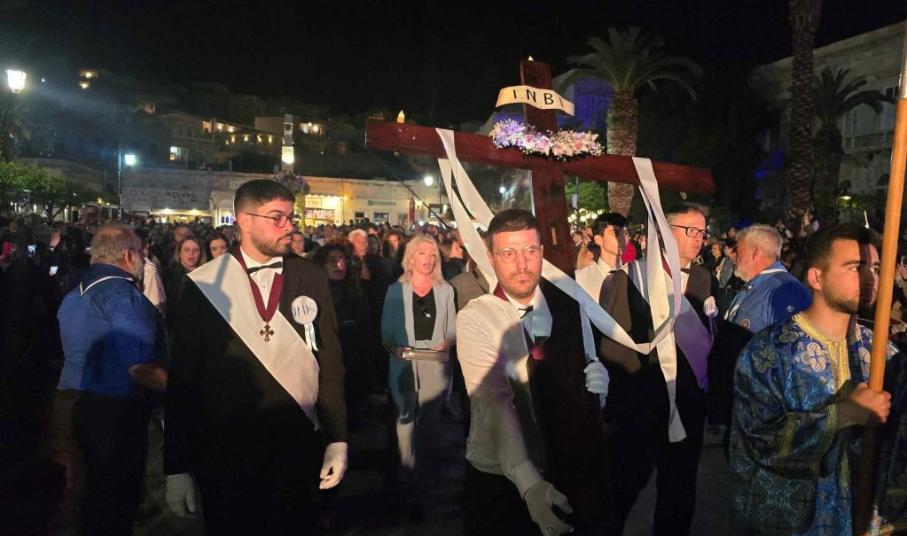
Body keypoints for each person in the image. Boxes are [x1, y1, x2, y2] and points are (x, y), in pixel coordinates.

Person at [164, 179, 347, 534]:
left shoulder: (311, 276)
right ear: (244, 221)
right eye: (276, 217)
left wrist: (337, 437)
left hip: (296, 447)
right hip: (225, 453)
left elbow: (329, 361)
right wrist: (176, 464)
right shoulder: (204, 283)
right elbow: (184, 377)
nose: (288, 226)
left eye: (291, 218)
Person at [730, 224, 896, 535]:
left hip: (860, 522)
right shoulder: (770, 352)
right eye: (855, 267)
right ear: (816, 277)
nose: (869, 278)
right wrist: (842, 415)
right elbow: (759, 442)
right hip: (788, 523)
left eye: (875, 268)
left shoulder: (883, 355)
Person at [458, 209, 611, 535]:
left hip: (565, 461)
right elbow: (495, 401)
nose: (521, 264)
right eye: (508, 253)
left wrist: (600, 388)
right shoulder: (477, 317)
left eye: (529, 250)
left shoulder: (570, 307)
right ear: (491, 258)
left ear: (542, 251)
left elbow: (586, 366)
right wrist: (527, 480)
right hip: (502, 475)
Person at [598, 203, 717, 535]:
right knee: (622, 490)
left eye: (702, 231)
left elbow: (710, 338)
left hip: (689, 407)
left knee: (679, 493)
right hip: (640, 409)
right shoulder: (628, 278)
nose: (699, 238)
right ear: (664, 233)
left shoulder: (704, 278)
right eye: (690, 230)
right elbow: (613, 348)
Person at [56, 225, 167, 535]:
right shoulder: (123, 295)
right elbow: (140, 367)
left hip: (72, 400)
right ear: (129, 255)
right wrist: (185, 391)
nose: (144, 260)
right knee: (114, 499)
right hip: (113, 411)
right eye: (142, 254)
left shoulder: (76, 291)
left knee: (87, 494)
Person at [380, 234, 456, 520]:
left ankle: (423, 486)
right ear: (411, 258)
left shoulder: (446, 290)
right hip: (404, 362)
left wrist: (446, 343)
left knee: (430, 427)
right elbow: (386, 331)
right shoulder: (395, 290)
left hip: (435, 363)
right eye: (423, 253)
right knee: (404, 423)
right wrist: (394, 347)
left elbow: (452, 328)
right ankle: (405, 481)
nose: (429, 258)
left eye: (433, 254)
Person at [710, 224, 813, 432]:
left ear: (755, 252)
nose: (734, 256)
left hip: (761, 413)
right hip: (738, 403)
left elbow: (794, 355)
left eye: (738, 250)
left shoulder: (785, 289)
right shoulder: (753, 286)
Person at [312, 241, 371, 430]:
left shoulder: (354, 291)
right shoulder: (314, 293)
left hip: (352, 354)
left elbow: (364, 325)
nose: (340, 265)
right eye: (332, 261)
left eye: (342, 260)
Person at [575, 212, 627, 300]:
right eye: (615, 233)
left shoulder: (634, 274)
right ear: (598, 239)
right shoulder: (581, 279)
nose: (622, 239)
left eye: (624, 234)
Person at [161, 236, 206, 311]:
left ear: (201, 254)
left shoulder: (206, 275)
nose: (191, 253)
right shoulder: (167, 275)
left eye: (196, 250)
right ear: (179, 253)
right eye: (186, 250)